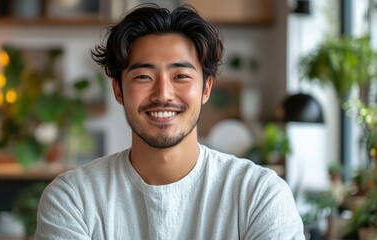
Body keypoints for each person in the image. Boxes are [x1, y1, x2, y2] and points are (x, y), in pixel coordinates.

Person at [36, 4, 305, 239]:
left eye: (181, 76)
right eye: (143, 76)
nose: (163, 94)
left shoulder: (259, 195)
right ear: (118, 90)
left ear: (206, 88)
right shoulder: (73, 198)